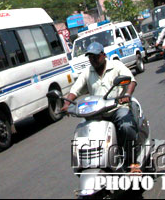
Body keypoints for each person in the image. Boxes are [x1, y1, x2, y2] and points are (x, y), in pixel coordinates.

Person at [60, 42, 141, 174]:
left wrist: (127, 95)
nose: (93, 60)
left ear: (103, 55)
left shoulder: (116, 65)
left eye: (96, 56)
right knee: (83, 133)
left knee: (126, 127)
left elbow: (131, 80)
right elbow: (76, 89)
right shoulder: (87, 72)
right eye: (90, 57)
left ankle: (133, 162)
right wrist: (67, 104)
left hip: (117, 108)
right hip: (96, 112)